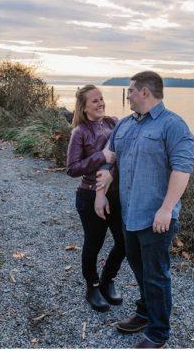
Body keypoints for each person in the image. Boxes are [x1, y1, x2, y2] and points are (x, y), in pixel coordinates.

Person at [96, 71, 194, 349]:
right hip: (129, 213)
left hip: (156, 218)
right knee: (140, 271)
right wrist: (100, 194)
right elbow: (110, 158)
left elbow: (182, 169)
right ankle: (144, 312)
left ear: (144, 92)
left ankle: (159, 333)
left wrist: (166, 209)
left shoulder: (172, 125)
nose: (127, 95)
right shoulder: (125, 125)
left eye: (130, 90)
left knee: (156, 275)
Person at [65, 85, 125, 312]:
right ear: (83, 106)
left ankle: (108, 279)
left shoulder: (113, 122)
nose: (100, 103)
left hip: (116, 193)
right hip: (90, 195)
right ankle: (93, 286)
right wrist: (101, 155)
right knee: (94, 243)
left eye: (101, 99)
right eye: (94, 101)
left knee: (124, 242)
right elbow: (71, 168)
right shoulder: (79, 132)